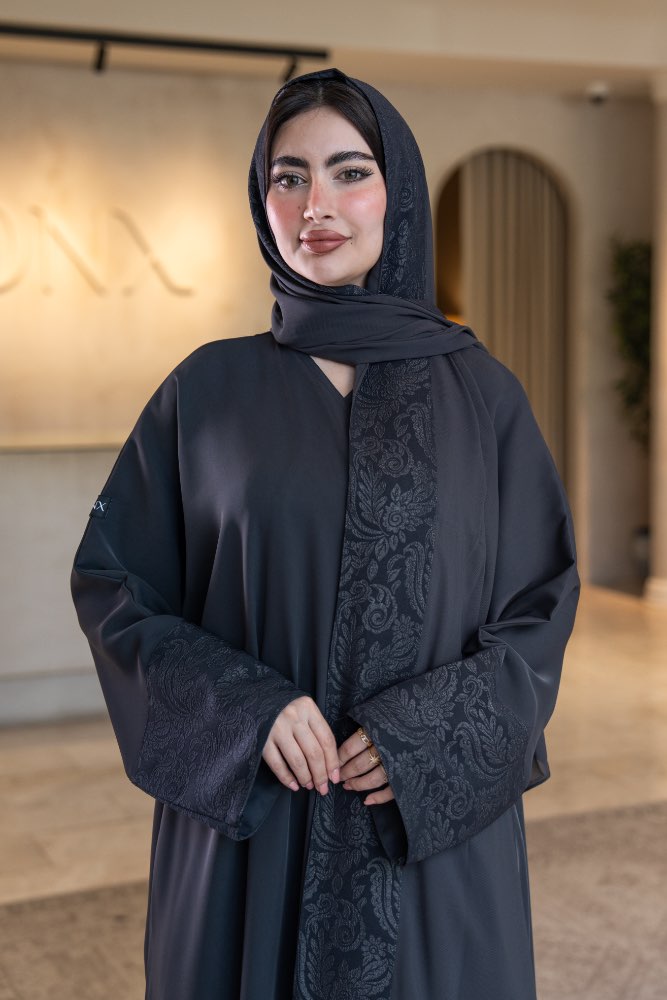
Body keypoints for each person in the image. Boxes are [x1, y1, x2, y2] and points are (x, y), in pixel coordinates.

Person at [71, 67, 580, 1000]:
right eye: (288, 177)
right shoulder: (207, 392)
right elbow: (116, 587)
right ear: (260, 200)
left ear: (399, 192)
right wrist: (245, 710)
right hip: (256, 820)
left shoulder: (483, 396)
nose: (316, 204)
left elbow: (539, 605)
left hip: (424, 836)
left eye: (349, 172)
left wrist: (422, 737)